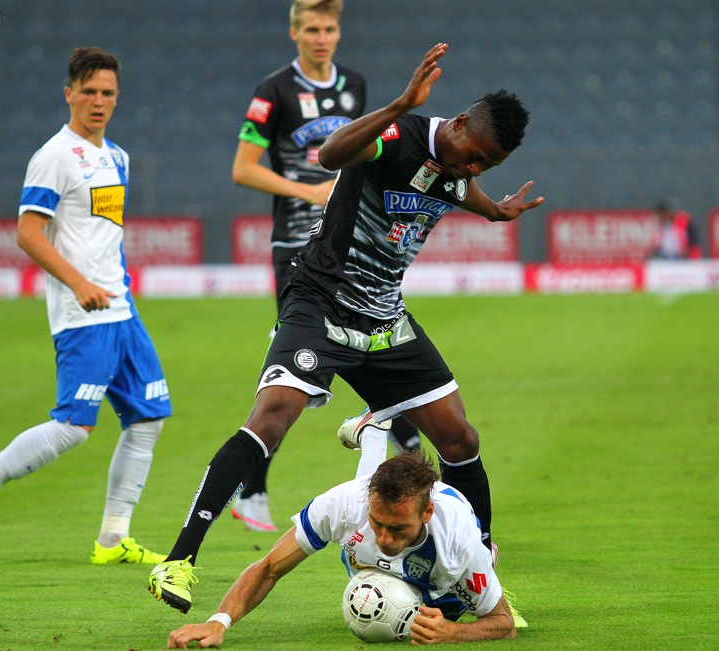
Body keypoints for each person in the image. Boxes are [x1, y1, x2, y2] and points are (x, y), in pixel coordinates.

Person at [147, 42, 543, 616]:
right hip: (322, 302)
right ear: (457, 125)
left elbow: (460, 190)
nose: (475, 168)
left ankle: (476, 560)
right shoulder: (397, 135)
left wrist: (495, 210)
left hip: (385, 318)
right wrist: (399, 104)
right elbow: (333, 154)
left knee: (460, 439)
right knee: (271, 417)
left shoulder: (459, 168)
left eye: (488, 165)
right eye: (475, 154)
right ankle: (180, 559)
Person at [0, 47, 172, 564]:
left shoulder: (119, 156)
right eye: (88, 91)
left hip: (121, 311)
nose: (98, 101)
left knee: (148, 417)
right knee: (73, 426)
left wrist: (119, 285)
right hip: (82, 314)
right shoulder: (55, 155)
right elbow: (28, 232)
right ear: (68, 93)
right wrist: (79, 282)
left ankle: (112, 539)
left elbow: (104, 235)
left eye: (107, 92)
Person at [229, 0, 419, 533]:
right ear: (294, 33)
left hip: (350, 243)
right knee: (292, 373)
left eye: (329, 28)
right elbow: (243, 169)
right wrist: (307, 191)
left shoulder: (354, 86)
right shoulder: (274, 92)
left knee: (376, 346)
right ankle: (254, 487)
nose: (321, 37)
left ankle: (405, 457)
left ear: (339, 32)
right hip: (296, 248)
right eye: (311, 28)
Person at [165, 434, 526, 648]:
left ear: (426, 513)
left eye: (398, 529)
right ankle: (373, 432)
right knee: (362, 533)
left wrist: (452, 632)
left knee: (470, 586)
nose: (384, 537)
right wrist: (218, 621)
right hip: (364, 562)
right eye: (377, 522)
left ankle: (488, 558)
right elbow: (269, 568)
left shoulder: (457, 540)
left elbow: (503, 623)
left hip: (440, 588)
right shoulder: (342, 504)